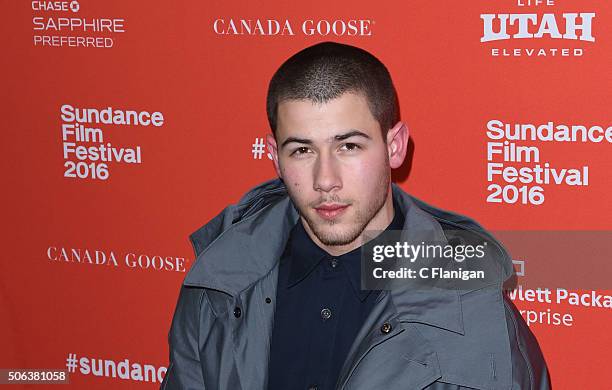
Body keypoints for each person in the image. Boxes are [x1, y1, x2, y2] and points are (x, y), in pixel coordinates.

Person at [161, 42, 550, 390]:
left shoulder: (472, 313)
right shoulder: (218, 282)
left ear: (394, 146)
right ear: (274, 156)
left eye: (348, 146)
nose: (325, 180)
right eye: (302, 150)